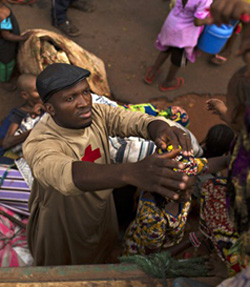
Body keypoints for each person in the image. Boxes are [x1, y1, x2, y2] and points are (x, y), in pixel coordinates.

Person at [22, 63, 195, 266]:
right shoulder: (40, 142)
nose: (84, 102)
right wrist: (131, 172)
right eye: (70, 98)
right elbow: (65, 173)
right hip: (65, 220)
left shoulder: (96, 114)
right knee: (68, 264)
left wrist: (159, 127)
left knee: (101, 246)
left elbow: (130, 120)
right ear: (50, 109)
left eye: (85, 92)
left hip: (100, 209)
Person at [143, 0, 212, 92]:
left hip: (171, 23)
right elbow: (198, 21)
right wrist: (212, 19)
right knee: (179, 60)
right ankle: (168, 82)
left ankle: (152, 72)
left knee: (165, 49)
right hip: (185, 36)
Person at [2, 74, 44, 156]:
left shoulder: (47, 105)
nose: (42, 92)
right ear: (25, 95)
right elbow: (6, 143)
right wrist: (33, 131)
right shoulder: (19, 114)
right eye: (36, 90)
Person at [0, 0, 30, 86]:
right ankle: (5, 80)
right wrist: (22, 38)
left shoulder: (3, 9)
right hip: (5, 45)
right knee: (6, 64)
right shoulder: (2, 15)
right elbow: (7, 36)